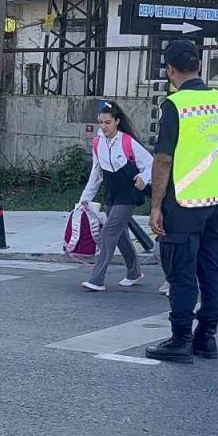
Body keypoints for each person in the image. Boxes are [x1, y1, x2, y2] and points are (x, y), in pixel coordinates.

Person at [145, 39, 218, 363]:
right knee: (213, 272)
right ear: (198, 65)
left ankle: (180, 338)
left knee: (181, 273)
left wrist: (156, 206)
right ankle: (206, 338)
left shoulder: (175, 104)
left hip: (183, 204)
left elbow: (164, 159)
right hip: (217, 203)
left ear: (170, 70)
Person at [77, 101, 163, 293]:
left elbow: (150, 164)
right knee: (121, 234)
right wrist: (85, 198)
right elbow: (96, 172)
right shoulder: (97, 142)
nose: (103, 126)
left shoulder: (127, 141)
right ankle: (134, 272)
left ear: (116, 121)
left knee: (109, 232)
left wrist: (143, 177)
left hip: (128, 192)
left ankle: (97, 279)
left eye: (107, 122)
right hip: (111, 191)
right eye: (101, 122)